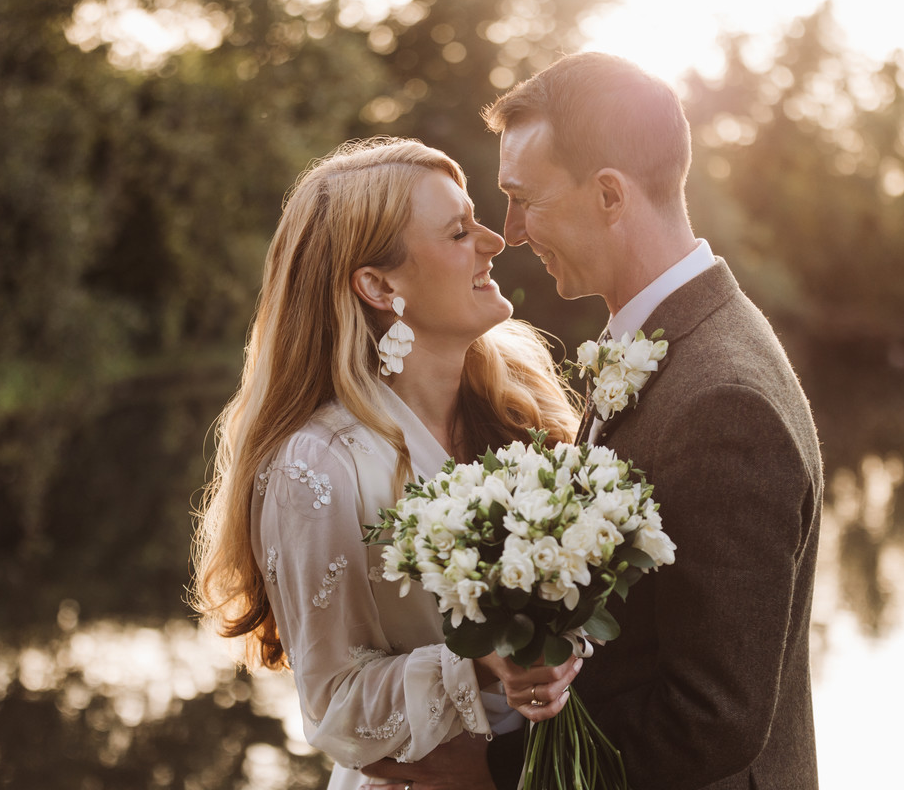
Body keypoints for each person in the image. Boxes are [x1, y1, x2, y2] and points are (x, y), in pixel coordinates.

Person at [372, 52, 824, 789]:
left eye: (525, 200)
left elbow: (714, 718)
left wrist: (495, 772)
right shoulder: (671, 342)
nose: (511, 231)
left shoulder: (723, 401)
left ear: (610, 195)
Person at [189, 137, 586, 790]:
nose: (494, 241)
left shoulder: (526, 413)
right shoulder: (317, 466)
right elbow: (334, 706)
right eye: (460, 231)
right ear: (378, 285)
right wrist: (481, 663)